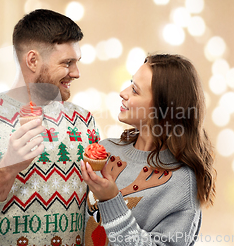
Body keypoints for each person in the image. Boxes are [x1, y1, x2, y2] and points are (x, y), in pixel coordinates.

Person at [0, 9, 99, 246]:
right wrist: (6, 169)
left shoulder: (84, 121)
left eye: (76, 62)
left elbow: (95, 213)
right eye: (67, 63)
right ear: (32, 60)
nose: (76, 73)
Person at [81, 54, 216, 246]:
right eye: (130, 84)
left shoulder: (182, 184)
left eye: (135, 91)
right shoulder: (105, 151)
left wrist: (111, 200)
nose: (123, 93)